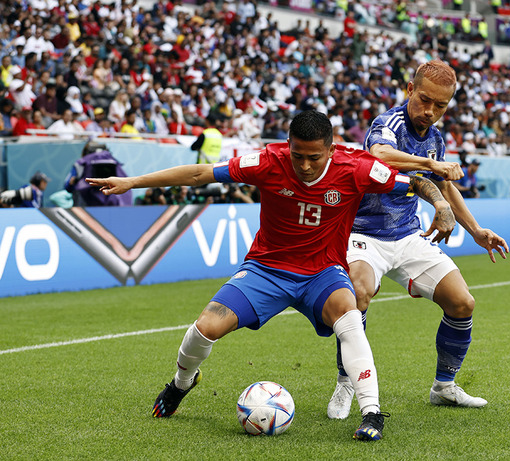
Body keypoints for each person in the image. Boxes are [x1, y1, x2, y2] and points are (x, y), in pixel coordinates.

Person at [86, 110, 457, 442]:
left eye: (315, 157)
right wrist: (131, 183)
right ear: (288, 146)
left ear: (331, 149)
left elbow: (415, 182)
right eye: (298, 155)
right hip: (267, 269)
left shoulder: (356, 166)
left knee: (350, 316)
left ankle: (372, 412)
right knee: (205, 328)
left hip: (322, 273)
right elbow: (200, 173)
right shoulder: (267, 161)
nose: (306, 166)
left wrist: (440, 204)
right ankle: (181, 384)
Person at [326, 60, 509, 421]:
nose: (430, 111)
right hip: (364, 233)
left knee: (462, 303)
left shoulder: (435, 138)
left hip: (409, 235)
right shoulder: (388, 124)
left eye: (440, 106)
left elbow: (444, 186)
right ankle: (346, 380)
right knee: (358, 293)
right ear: (410, 89)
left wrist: (476, 231)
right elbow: (380, 156)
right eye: (424, 100)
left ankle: (444, 387)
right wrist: (435, 167)